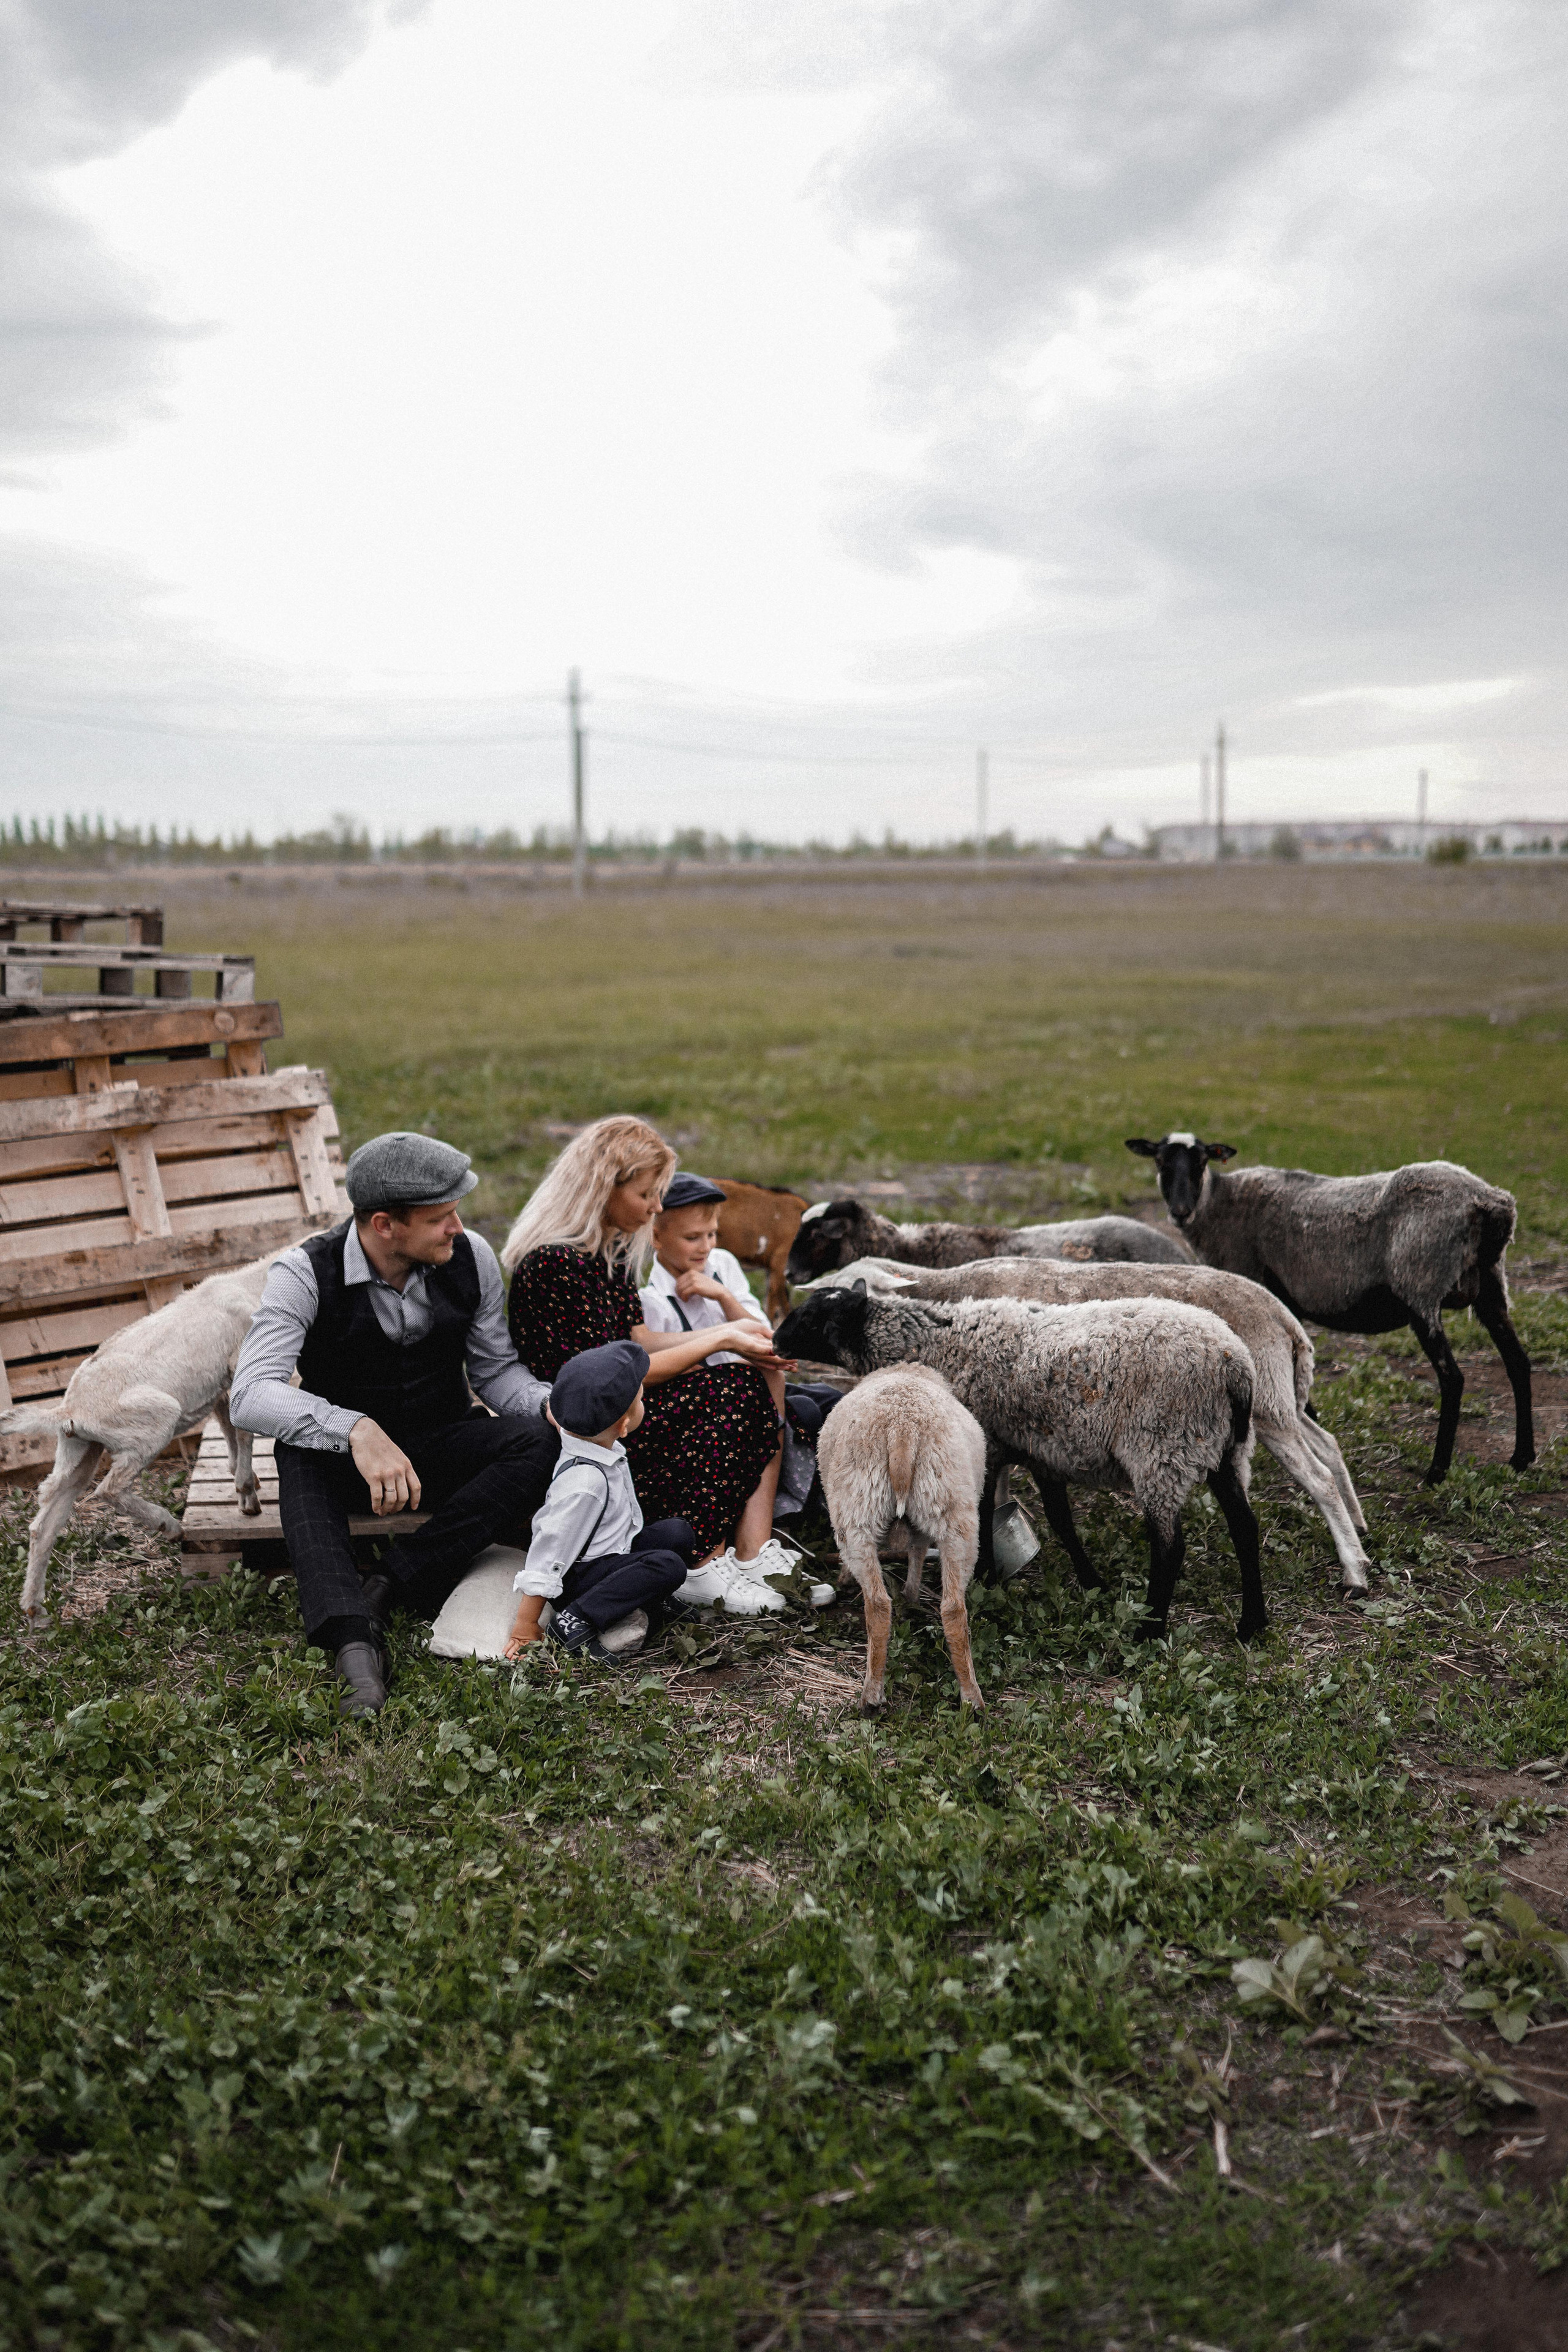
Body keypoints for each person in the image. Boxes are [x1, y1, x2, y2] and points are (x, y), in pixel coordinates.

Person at [230, 1131, 559, 1716]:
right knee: (295, 1452)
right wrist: (355, 1429)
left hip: (439, 1444)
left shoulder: (472, 1257)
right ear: (385, 1225)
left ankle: (390, 1585)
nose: (458, 1228)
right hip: (346, 1462)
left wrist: (550, 1404)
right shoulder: (303, 1273)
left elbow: (496, 1373)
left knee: (536, 1440)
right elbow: (251, 1393)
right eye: (440, 1218)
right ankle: (353, 1647)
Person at [502, 1117, 793, 1618]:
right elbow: (619, 1378)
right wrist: (721, 1337)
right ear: (602, 1187)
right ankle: (701, 1562)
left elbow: (637, 1339)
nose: (658, 1207)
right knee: (728, 1393)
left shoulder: (608, 1251)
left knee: (741, 1379)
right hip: (583, 1429)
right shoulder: (555, 1264)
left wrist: (731, 1337)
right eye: (647, 1194)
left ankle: (739, 1554)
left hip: (621, 1408)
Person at [640, 1172, 834, 1600]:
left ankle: (757, 1548)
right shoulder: (651, 1301)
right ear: (656, 1236)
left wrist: (722, 1296)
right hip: (713, 1417)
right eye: (693, 1237)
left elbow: (767, 1340)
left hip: (756, 1401)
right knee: (752, 1389)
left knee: (803, 1392)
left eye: (712, 1233)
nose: (706, 1246)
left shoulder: (723, 1267)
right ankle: (726, 1554)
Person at [503, 1340, 693, 1663]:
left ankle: (645, 1598)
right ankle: (575, 1621)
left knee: (678, 1533)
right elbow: (550, 1549)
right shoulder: (585, 1483)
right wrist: (525, 1624)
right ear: (624, 1426)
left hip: (611, 1553)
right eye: (642, 1400)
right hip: (580, 1579)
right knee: (668, 1565)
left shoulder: (586, 1439)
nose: (645, 1402)